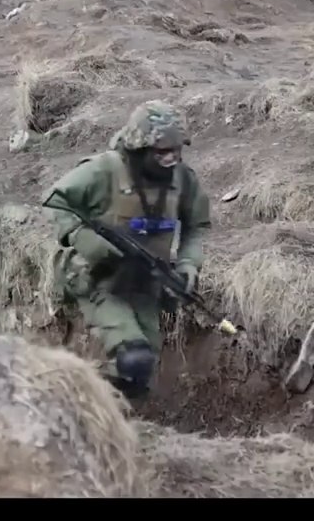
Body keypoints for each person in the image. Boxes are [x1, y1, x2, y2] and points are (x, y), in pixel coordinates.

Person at [44, 100, 211, 398]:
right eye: (162, 152)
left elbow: (196, 227)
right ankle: (72, 396)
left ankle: (107, 411)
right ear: (140, 147)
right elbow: (56, 200)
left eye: (176, 151)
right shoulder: (104, 170)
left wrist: (187, 265)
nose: (171, 158)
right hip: (98, 278)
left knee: (141, 374)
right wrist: (83, 238)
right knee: (133, 356)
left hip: (145, 283)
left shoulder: (183, 180)